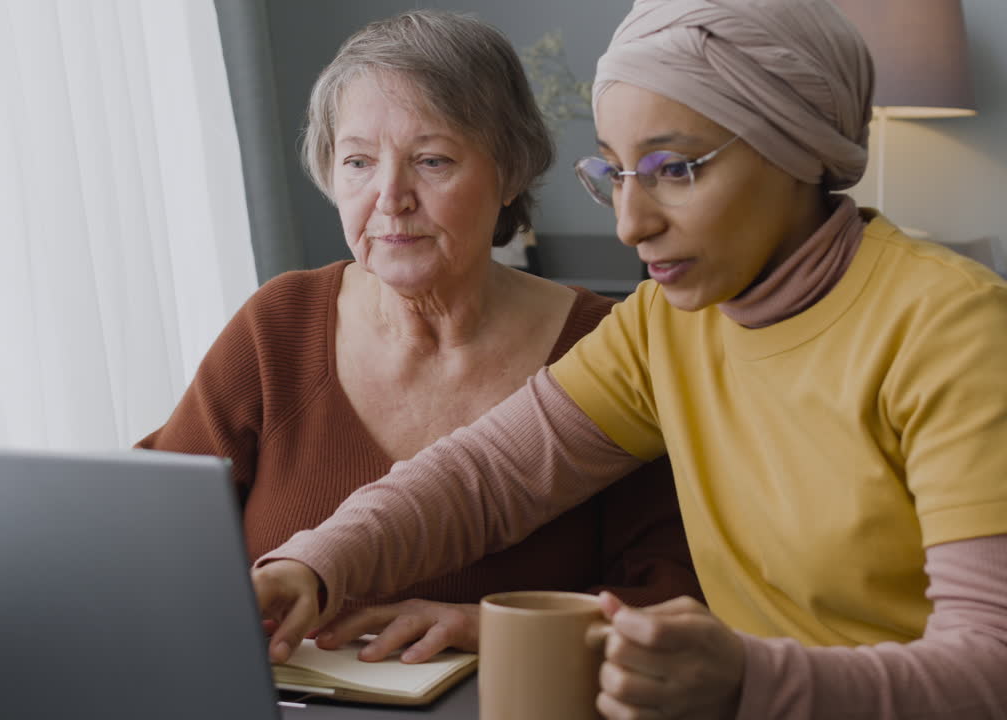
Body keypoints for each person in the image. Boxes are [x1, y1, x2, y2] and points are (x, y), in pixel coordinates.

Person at [252, 0, 1007, 717]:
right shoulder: (666, 324)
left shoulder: (951, 330)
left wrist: (749, 681)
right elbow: (485, 478)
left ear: (797, 150)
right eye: (614, 172)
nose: (630, 223)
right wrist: (315, 565)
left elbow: (990, 670)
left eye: (674, 170)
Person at [135, 9, 700, 664]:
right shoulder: (279, 323)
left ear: (510, 172)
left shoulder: (607, 347)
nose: (389, 196)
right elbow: (151, 528)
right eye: (358, 162)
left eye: (431, 160)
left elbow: (670, 595)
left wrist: (491, 630)